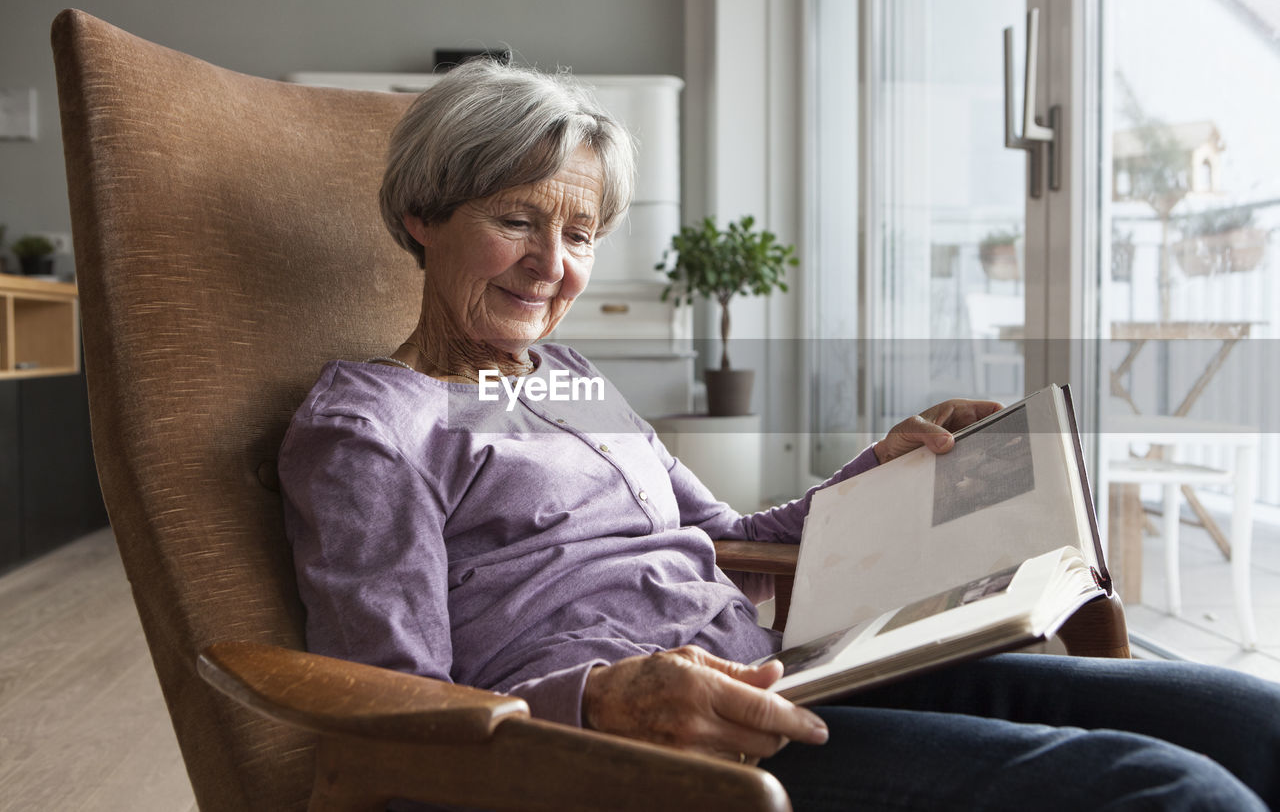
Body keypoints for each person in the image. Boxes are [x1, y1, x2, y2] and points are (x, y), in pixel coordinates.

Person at [278, 59, 1279, 810]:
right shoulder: (370, 426)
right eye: (515, 221)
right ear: (420, 215)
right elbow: (393, 705)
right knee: (1159, 790)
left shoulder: (569, 380)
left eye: (577, 234)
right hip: (659, 750)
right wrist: (599, 701)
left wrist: (877, 473)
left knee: (1242, 717)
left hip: (789, 662)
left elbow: (725, 535)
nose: (550, 265)